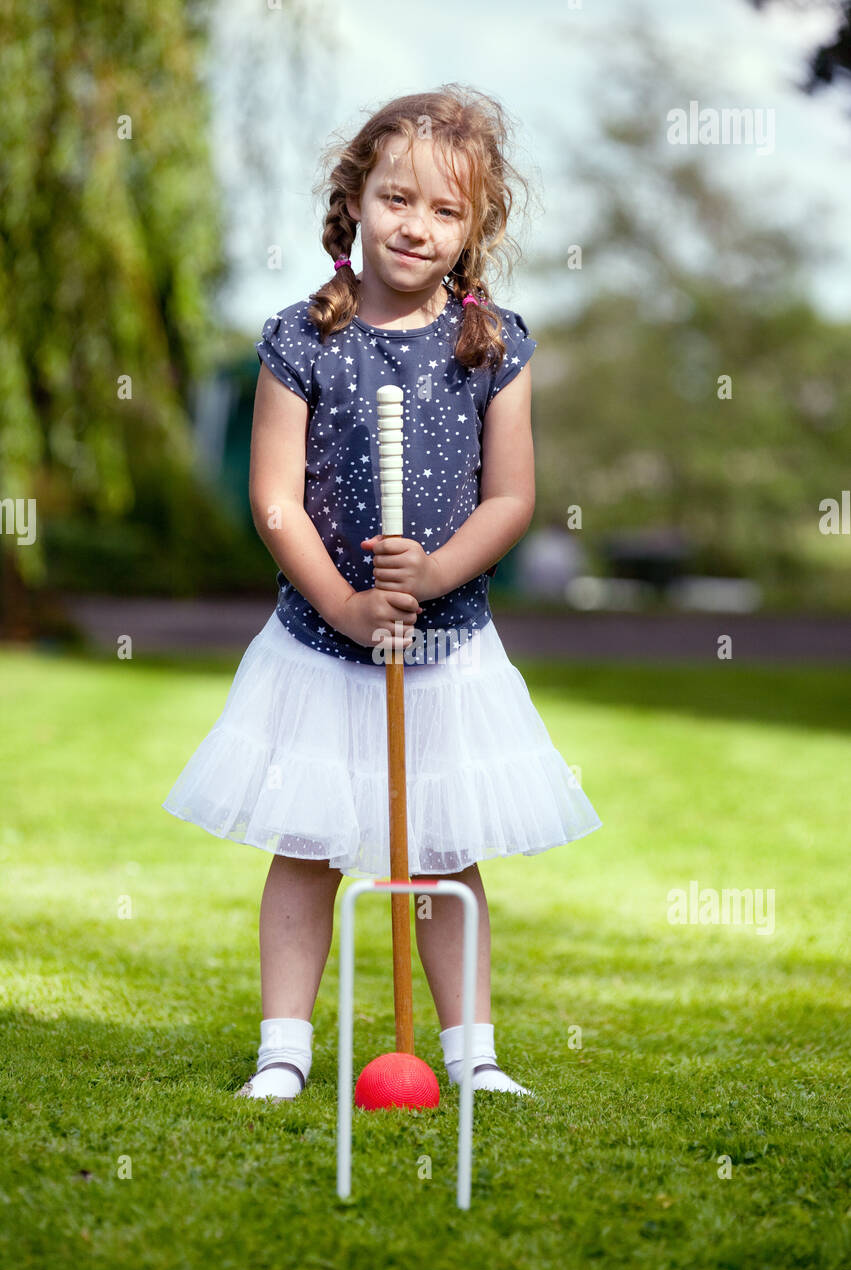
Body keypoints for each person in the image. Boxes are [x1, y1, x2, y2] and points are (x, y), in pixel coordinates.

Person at [162, 85, 602, 1103]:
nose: (416, 225)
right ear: (355, 198)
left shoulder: (491, 346)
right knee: (308, 844)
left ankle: (471, 1056)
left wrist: (438, 572)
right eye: (397, 198)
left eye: (446, 211)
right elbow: (273, 500)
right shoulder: (300, 339)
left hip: (447, 647)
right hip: (320, 644)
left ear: (473, 229)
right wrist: (346, 604)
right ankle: (283, 1049)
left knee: (443, 852)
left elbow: (511, 496)